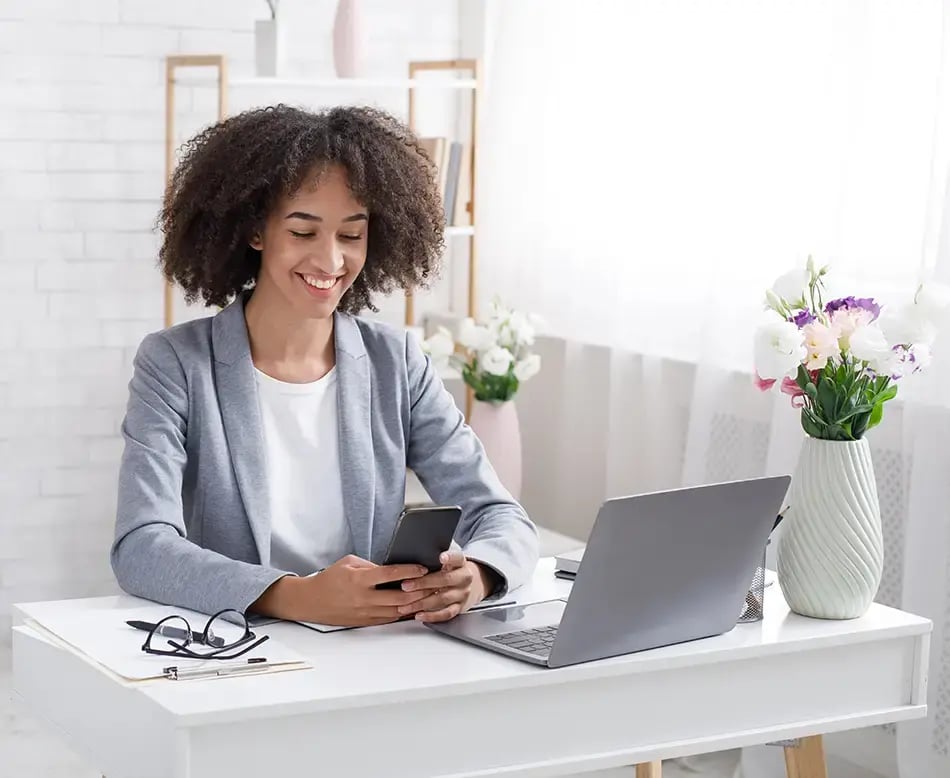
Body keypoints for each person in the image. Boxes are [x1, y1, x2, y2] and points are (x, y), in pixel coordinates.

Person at [110, 104, 539, 628]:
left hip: (373, 649)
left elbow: (501, 516)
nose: (331, 261)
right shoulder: (176, 364)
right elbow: (141, 546)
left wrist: (480, 574)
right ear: (255, 231)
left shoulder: (397, 362)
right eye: (303, 232)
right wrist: (295, 596)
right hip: (243, 648)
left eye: (351, 236)